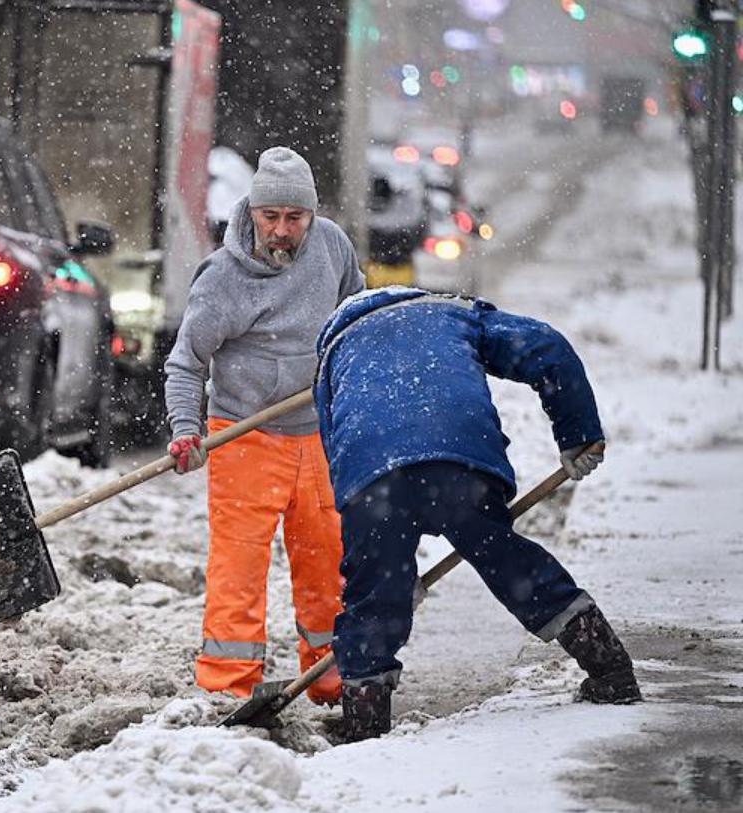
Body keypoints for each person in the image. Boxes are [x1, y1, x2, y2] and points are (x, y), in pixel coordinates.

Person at [313, 286, 642, 743]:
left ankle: (364, 725)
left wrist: (385, 571)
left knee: (371, 597)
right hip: (460, 458)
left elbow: (337, 455)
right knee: (509, 562)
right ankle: (611, 670)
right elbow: (546, 347)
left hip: (373, 474)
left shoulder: (334, 354)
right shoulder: (454, 314)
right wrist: (577, 432)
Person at [164, 146, 365, 704]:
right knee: (239, 569)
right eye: (270, 216)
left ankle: (334, 682)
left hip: (318, 435)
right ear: (252, 210)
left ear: (311, 215)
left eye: (294, 218)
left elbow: (356, 316)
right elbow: (186, 362)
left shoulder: (332, 246)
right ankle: (228, 687)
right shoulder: (223, 278)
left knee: (328, 563)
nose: (281, 230)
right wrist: (186, 428)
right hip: (245, 435)